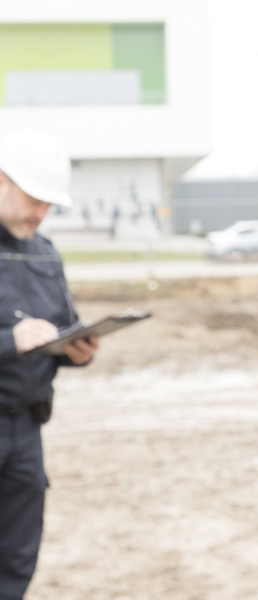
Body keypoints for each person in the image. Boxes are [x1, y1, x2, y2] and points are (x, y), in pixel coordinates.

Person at [0, 129, 99, 598]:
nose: (40, 213)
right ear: (2, 182)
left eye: (48, 205)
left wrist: (75, 349)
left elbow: (62, 325)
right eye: (33, 199)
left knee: (18, 553)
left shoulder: (44, 253)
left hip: (25, 431)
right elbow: (16, 339)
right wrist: (8, 341)